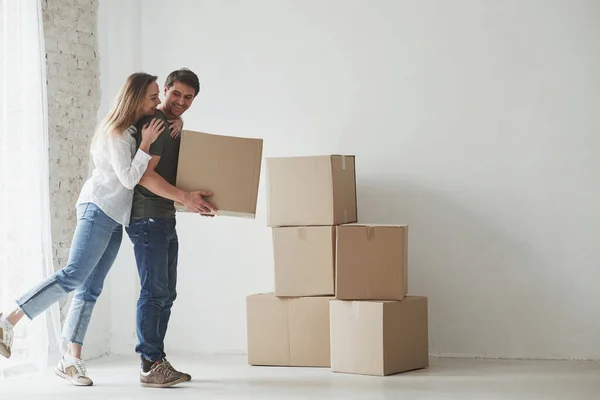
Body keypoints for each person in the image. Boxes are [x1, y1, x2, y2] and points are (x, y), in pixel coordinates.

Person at [0, 72, 169, 387]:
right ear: (135, 98)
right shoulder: (118, 133)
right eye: (152, 96)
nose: (157, 101)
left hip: (115, 215)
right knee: (73, 275)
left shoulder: (133, 131)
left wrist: (164, 129)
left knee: (90, 288)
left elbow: (165, 120)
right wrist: (146, 143)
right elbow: (129, 179)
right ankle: (9, 319)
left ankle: (70, 360)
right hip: (98, 208)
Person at [125, 68, 217, 388]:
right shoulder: (157, 124)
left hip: (163, 216)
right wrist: (186, 199)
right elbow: (146, 175)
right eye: (175, 93)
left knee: (166, 292)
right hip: (147, 216)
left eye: (188, 97)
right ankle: (150, 364)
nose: (180, 101)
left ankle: (157, 360)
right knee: (154, 292)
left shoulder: (170, 124)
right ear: (164, 89)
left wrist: (192, 202)